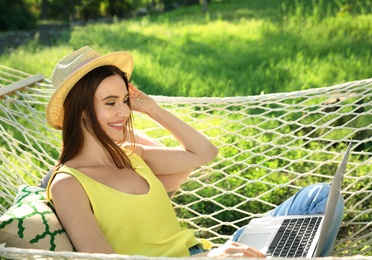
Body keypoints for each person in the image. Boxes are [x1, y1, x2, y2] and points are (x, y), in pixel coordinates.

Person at [45, 46, 344, 258]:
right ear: (81, 111)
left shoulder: (132, 156)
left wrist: (152, 108)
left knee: (320, 197)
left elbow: (204, 152)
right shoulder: (68, 185)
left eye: (125, 100)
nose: (124, 111)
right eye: (110, 103)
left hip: (212, 252)